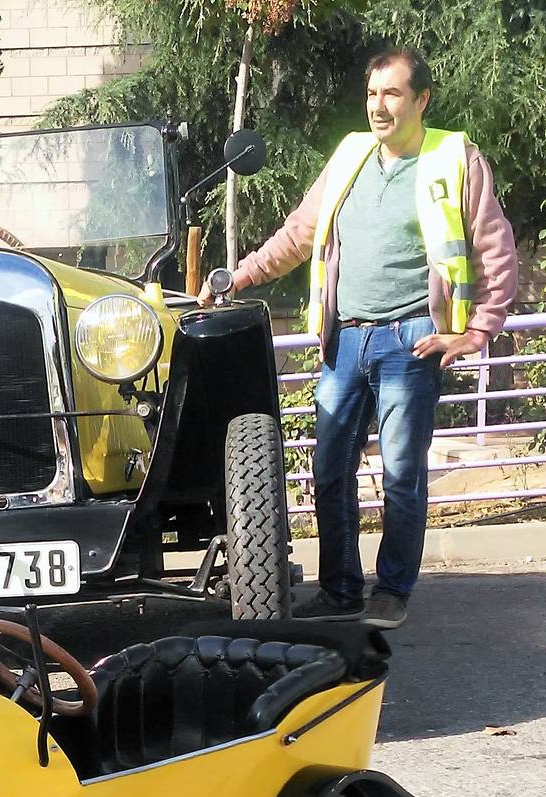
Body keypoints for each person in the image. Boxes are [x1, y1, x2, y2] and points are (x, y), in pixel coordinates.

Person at [211, 47, 517, 630]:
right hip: (344, 341)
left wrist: (477, 330)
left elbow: (495, 248)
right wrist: (239, 275)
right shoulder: (350, 155)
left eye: (393, 94)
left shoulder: (453, 158)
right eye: (373, 93)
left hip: (411, 340)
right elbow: (299, 233)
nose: (379, 106)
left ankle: (392, 590)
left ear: (421, 100)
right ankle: (341, 589)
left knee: (401, 473)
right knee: (329, 469)